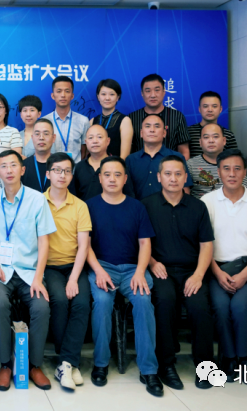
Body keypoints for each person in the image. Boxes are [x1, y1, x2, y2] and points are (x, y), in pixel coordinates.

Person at [85, 156, 162, 397]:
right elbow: (85, 245)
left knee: (143, 302)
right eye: (107, 174)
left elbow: (145, 243)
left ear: (125, 179)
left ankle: (148, 369)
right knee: (102, 302)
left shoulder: (137, 207)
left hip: (132, 268)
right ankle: (100, 363)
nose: (112, 179)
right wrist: (98, 270)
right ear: (100, 178)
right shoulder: (88, 206)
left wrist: (140, 272)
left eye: (117, 174)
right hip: (102, 267)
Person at [201, 148, 247, 385]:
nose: (232, 174)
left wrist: (244, 275)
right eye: (226, 169)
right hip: (217, 269)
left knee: (242, 308)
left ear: (244, 172)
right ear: (218, 172)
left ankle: (245, 359)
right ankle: (228, 358)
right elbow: (202, 244)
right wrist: (217, 272)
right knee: (221, 308)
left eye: (237, 168)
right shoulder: (207, 202)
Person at [141, 155, 215, 390]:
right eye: (168, 174)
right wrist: (152, 263)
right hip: (161, 270)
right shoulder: (146, 205)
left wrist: (199, 275)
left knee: (199, 306)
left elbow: (206, 245)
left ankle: (205, 366)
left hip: (192, 271)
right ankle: (166, 365)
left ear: (185, 177)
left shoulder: (198, 206)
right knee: (164, 301)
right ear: (159, 177)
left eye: (178, 174)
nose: (173, 178)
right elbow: (140, 242)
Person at [0, 150, 56, 391]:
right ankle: (6, 364)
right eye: (4, 166)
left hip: (29, 271)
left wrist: (38, 277)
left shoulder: (37, 199)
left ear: (22, 169)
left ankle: (34, 365)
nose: (9, 170)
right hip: (1, 270)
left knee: (41, 307)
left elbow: (44, 241)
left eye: (13, 165)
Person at [42, 153, 92, 391]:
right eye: (57, 170)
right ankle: (69, 362)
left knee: (81, 302)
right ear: (48, 174)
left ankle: (66, 362)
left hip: (74, 265)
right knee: (60, 301)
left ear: (72, 176)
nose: (62, 175)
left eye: (67, 171)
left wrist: (73, 278)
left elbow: (84, 246)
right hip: (48, 266)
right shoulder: (38, 202)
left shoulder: (80, 206)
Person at [126, 114, 192, 200]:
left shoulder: (176, 157)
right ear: (141, 133)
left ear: (164, 133)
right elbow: (126, 191)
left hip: (169, 207)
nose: (152, 130)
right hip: (137, 207)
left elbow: (185, 189)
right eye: (147, 126)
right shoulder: (131, 160)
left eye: (157, 126)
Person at [128, 74, 191, 158]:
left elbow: (184, 151)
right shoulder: (132, 118)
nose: (153, 95)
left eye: (157, 90)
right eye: (148, 91)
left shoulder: (177, 116)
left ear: (164, 92)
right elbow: (128, 149)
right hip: (139, 165)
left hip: (170, 165)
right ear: (142, 93)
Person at [69, 125, 134, 201]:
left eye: (99, 137)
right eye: (90, 138)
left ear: (108, 141)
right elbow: (73, 197)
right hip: (84, 208)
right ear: (86, 142)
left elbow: (129, 196)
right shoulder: (79, 167)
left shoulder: (119, 166)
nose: (95, 141)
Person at [187, 123, 247, 198]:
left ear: (224, 140)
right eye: (206, 137)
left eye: (215, 137)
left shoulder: (234, 163)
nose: (211, 141)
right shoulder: (190, 165)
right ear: (200, 142)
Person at [41, 76, 90, 163]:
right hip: (51, 169)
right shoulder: (44, 122)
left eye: (67, 91)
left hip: (76, 169)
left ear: (72, 95)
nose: (63, 95)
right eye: (59, 91)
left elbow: (85, 150)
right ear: (53, 95)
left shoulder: (83, 121)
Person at [187, 91, 238, 159]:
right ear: (199, 109)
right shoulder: (188, 132)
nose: (210, 110)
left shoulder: (228, 135)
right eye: (205, 106)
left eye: (214, 106)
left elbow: (234, 160)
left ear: (220, 109)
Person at [91, 79, 132, 159]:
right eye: (103, 94)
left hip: (115, 165)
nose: (107, 98)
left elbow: (124, 156)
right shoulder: (92, 121)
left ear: (118, 97)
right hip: (94, 165)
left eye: (112, 94)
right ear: (98, 97)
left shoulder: (124, 121)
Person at [20, 119, 55, 193]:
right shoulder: (22, 166)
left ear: (53, 138)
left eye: (46, 133)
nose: (41, 138)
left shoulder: (61, 166)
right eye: (37, 134)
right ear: (32, 138)